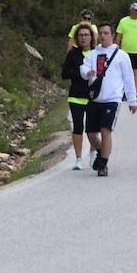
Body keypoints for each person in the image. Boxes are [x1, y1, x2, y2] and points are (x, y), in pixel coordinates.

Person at [79, 23, 137, 177]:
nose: (103, 35)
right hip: (95, 99)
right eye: (100, 33)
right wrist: (87, 73)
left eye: (106, 32)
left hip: (112, 99)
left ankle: (103, 164)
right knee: (91, 133)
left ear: (112, 35)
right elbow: (83, 68)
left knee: (106, 131)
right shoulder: (93, 53)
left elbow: (128, 78)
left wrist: (132, 100)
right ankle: (100, 151)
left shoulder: (121, 55)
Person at [60, 25, 97, 170]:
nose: (83, 38)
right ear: (77, 38)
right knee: (78, 127)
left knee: (93, 128)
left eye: (86, 35)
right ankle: (79, 159)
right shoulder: (73, 54)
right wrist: (80, 73)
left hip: (93, 97)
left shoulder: (96, 53)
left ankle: (93, 153)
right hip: (76, 96)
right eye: (81, 35)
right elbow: (64, 74)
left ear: (91, 37)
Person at [116, 2, 137, 84]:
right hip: (125, 52)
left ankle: (135, 94)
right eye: (136, 10)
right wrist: (115, 47)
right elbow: (119, 36)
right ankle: (124, 93)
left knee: (136, 72)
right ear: (131, 11)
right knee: (124, 73)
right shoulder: (123, 21)